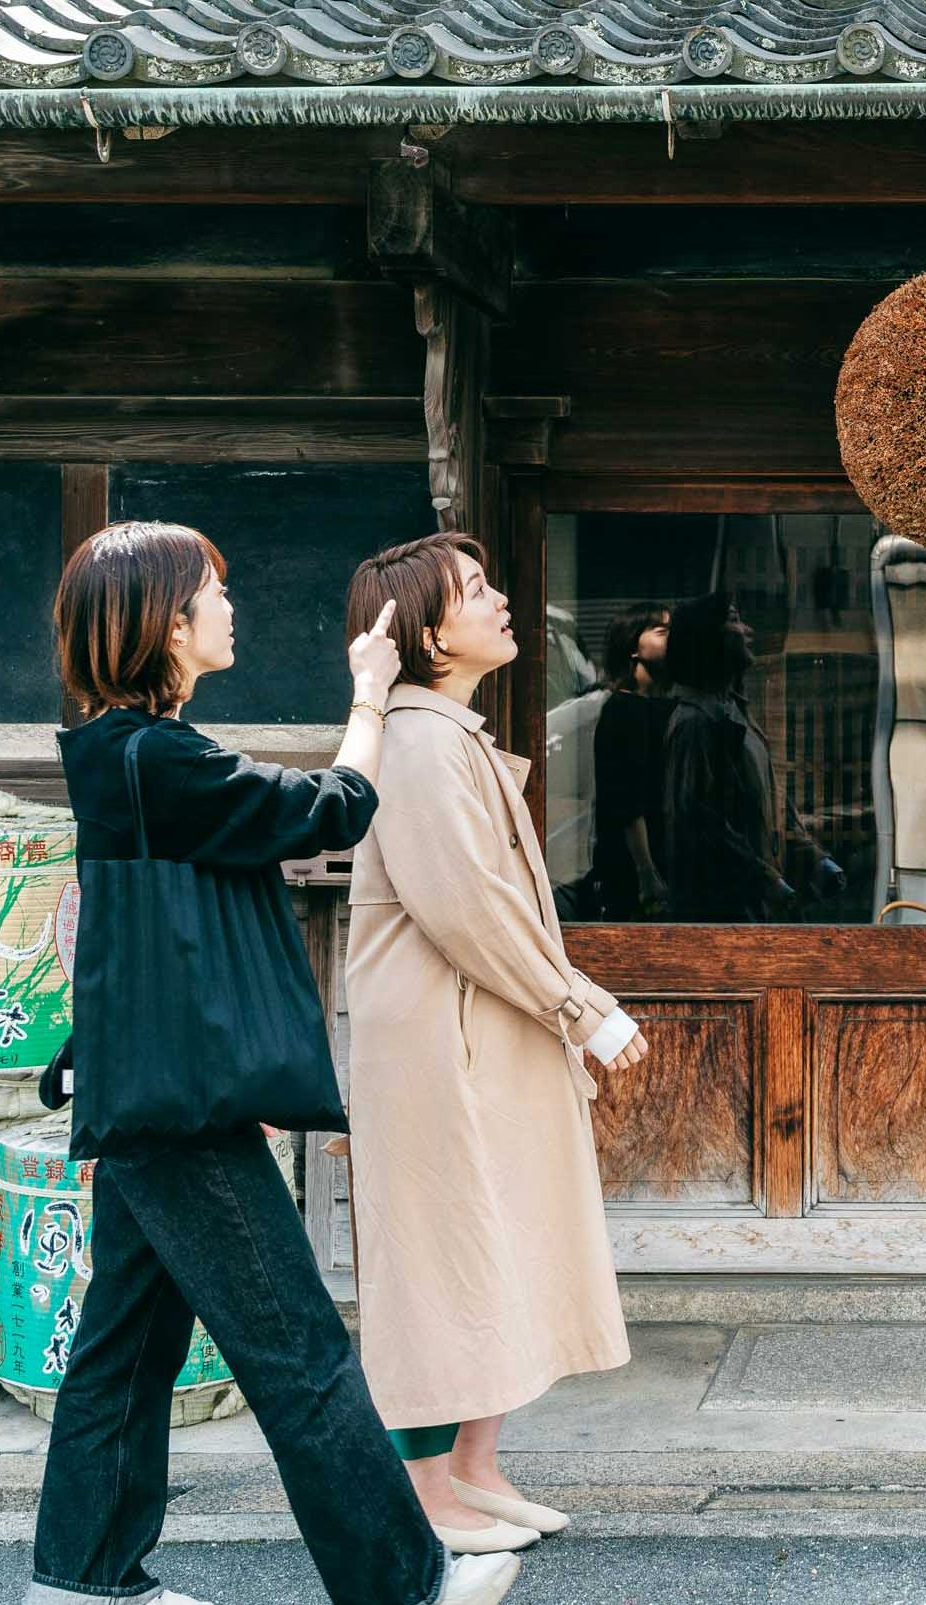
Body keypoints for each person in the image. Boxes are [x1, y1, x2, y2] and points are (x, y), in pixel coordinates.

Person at [36, 521, 515, 1605]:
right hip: (182, 1110)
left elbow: (136, 937)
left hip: (152, 1089)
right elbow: (330, 809)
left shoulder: (126, 754)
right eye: (213, 590)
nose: (228, 606)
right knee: (299, 1352)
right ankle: (406, 1586)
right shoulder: (160, 758)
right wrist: (367, 695)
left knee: (124, 1350)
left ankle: (84, 1581)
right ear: (163, 621)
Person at [343, 533, 647, 1552]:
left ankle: (473, 1469)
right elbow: (466, 909)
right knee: (442, 1254)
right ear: (430, 631)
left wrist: (572, 999)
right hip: (444, 1041)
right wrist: (582, 1008)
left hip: (477, 1030)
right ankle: (426, 1492)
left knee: (500, 1241)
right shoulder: (420, 743)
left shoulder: (444, 733)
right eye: (477, 590)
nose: (503, 598)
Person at [654, 593, 788, 922]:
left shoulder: (733, 711)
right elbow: (699, 822)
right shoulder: (696, 722)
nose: (747, 630)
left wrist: (812, 858)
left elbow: (767, 795)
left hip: (748, 905)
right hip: (720, 913)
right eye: (733, 619)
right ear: (707, 638)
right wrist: (765, 880)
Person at [583, 604, 674, 920]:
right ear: (633, 646)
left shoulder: (660, 706)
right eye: (662, 632)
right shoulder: (622, 711)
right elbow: (627, 801)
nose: (672, 639)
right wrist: (647, 872)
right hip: (633, 867)